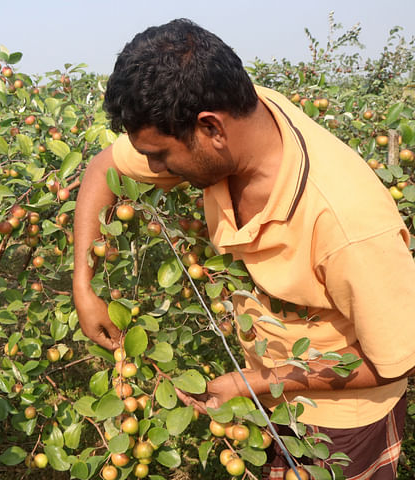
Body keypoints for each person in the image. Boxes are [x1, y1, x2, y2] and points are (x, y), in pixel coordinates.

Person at [73, 19, 415, 479]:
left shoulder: (347, 221)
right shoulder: (238, 118)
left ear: (211, 127)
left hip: (342, 421)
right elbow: (103, 168)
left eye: (160, 155)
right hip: (265, 397)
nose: (151, 168)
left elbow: (395, 362)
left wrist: (255, 382)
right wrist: (83, 283)